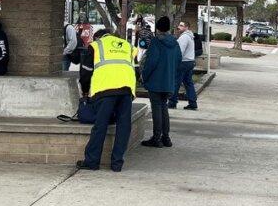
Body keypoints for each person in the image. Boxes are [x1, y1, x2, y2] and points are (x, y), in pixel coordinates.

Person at [77, 28, 137, 172]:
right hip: (126, 90)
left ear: (98, 37)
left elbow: (85, 73)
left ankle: (92, 162)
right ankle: (117, 164)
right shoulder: (127, 46)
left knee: (100, 125)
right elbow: (136, 70)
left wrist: (85, 91)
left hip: (105, 90)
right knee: (124, 126)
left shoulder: (96, 46)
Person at [139, 16, 179, 147]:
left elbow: (151, 62)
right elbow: (179, 60)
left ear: (157, 28)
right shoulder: (175, 42)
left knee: (156, 108)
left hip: (156, 81)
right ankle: (166, 137)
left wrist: (144, 76)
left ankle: (156, 138)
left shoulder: (156, 42)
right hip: (168, 81)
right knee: (164, 107)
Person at [169, 20, 198, 110]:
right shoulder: (190, 36)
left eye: (181, 25)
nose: (179, 27)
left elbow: (179, 51)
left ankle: (172, 102)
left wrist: (174, 61)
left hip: (183, 62)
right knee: (188, 83)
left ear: (186, 27)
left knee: (176, 82)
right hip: (189, 62)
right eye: (179, 25)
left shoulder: (184, 37)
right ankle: (193, 103)